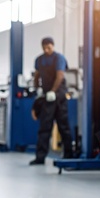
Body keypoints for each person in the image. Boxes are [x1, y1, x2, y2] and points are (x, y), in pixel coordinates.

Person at [29, 37, 74, 165]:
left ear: (53, 46)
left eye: (48, 47)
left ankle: (69, 155)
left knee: (63, 126)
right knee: (44, 127)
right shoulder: (39, 60)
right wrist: (37, 88)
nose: (46, 50)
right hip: (47, 97)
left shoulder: (59, 58)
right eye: (44, 48)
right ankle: (40, 157)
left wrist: (53, 91)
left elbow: (60, 75)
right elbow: (37, 75)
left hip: (59, 96)